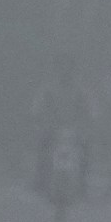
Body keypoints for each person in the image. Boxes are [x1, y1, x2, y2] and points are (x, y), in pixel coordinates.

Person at [30, 55, 96, 190]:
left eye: (68, 68)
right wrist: (39, 120)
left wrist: (89, 121)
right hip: (52, 129)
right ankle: (40, 180)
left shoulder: (80, 90)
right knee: (42, 148)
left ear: (73, 70)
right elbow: (37, 107)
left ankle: (83, 181)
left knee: (85, 150)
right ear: (57, 70)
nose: (65, 72)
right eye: (62, 68)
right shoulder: (48, 90)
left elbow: (90, 109)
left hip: (74, 129)